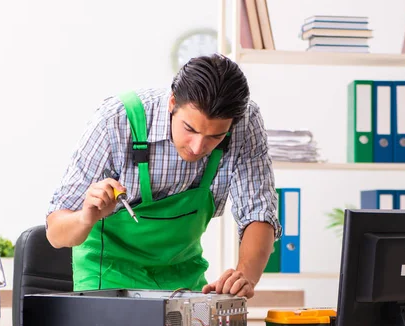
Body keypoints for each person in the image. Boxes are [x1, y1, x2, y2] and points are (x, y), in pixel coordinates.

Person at [46, 53, 281, 299]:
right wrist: (85, 217)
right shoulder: (115, 121)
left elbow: (258, 212)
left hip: (184, 281)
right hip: (109, 278)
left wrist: (245, 275)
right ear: (172, 103)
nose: (198, 147)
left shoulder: (244, 122)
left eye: (216, 136)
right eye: (190, 129)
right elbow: (55, 233)